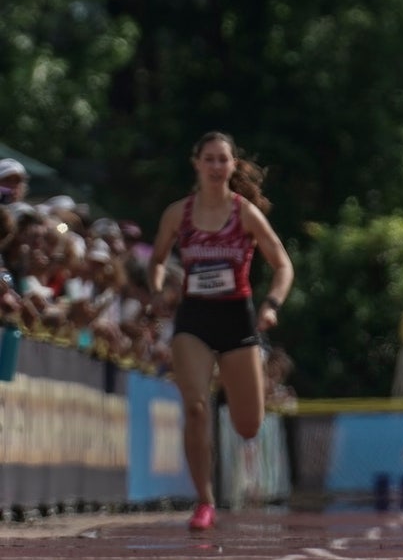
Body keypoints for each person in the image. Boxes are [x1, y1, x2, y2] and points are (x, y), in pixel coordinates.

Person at [147, 131, 294, 531]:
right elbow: (157, 259)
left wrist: (271, 305)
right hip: (193, 319)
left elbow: (282, 264)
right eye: (208, 159)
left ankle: (249, 394)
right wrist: (158, 290)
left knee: (248, 426)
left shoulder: (244, 213)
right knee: (195, 407)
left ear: (233, 166)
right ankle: (205, 501)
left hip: (237, 320)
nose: (215, 167)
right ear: (196, 163)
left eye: (222, 160)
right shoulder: (179, 213)